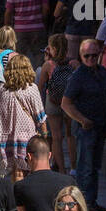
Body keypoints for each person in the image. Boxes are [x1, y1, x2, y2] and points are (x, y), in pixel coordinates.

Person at [61, 39, 106, 211]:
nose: (90, 58)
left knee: (95, 166)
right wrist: (82, 120)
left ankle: (92, 200)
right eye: (86, 56)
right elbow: (65, 103)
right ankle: (85, 204)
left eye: (94, 55)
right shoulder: (78, 76)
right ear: (81, 56)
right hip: (86, 129)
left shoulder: (103, 72)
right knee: (85, 167)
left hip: (101, 126)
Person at [0, 53, 48, 182]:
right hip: (27, 137)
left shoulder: (0, 90)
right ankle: (21, 198)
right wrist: (45, 134)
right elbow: (40, 116)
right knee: (25, 172)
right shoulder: (31, 89)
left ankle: (14, 197)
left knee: (13, 172)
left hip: (6, 137)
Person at [40, 33, 75, 172]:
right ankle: (74, 167)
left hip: (53, 103)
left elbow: (40, 87)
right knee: (70, 135)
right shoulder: (73, 63)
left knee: (56, 137)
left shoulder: (48, 65)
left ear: (53, 48)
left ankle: (61, 170)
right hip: (70, 102)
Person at [2, 0, 50, 67]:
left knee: (20, 54)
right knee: (38, 54)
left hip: (20, 29)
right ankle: (37, 74)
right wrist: (43, 22)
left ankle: (23, 75)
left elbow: (8, 12)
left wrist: (8, 27)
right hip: (37, 28)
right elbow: (46, 9)